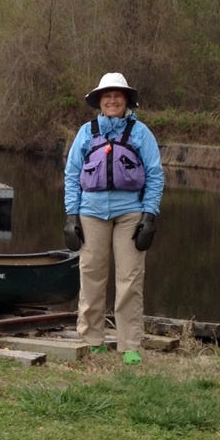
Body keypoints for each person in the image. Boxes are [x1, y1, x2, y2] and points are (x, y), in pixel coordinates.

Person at [62, 72, 164, 365]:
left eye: (118, 96)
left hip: (130, 213)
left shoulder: (141, 132)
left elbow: (155, 175)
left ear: (126, 100)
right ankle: (91, 339)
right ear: (99, 101)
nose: (112, 100)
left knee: (130, 278)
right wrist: (71, 216)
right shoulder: (86, 132)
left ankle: (129, 343)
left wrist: (149, 214)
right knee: (92, 275)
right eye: (107, 96)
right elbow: (71, 176)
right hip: (91, 212)